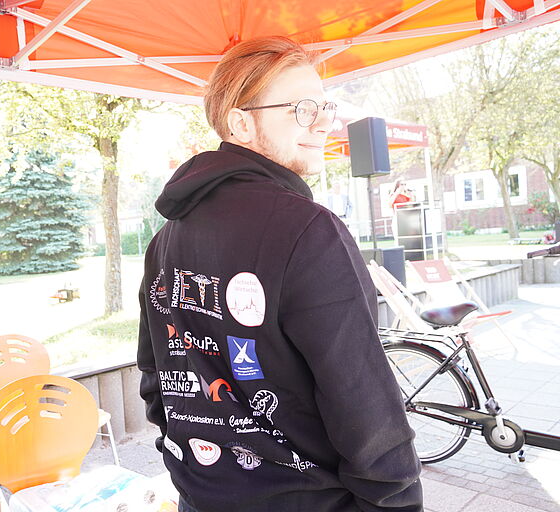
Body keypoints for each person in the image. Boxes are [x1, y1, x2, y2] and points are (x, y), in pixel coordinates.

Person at [137, 36, 422, 512]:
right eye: (302, 109)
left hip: (200, 494)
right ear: (240, 122)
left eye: (324, 107)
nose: (323, 124)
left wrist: (189, 462)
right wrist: (394, 502)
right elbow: (362, 400)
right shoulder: (309, 230)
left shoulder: (163, 240)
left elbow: (156, 377)